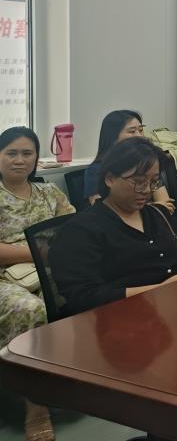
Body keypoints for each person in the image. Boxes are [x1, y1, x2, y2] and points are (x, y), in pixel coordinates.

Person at [51, 137, 177, 317]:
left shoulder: (158, 214)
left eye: (154, 182)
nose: (147, 190)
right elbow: (84, 298)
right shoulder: (80, 231)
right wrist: (157, 291)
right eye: (139, 182)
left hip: (172, 311)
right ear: (110, 179)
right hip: (118, 321)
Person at [0, 126, 74, 441]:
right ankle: (36, 406)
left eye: (27, 153)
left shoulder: (50, 193)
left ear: (36, 158)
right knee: (31, 310)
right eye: (11, 153)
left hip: (50, 270)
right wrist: (38, 252)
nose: (19, 160)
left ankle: (80, 385)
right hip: (5, 277)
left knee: (86, 295)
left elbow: (74, 230)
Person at [83, 110, 173, 211]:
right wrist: (152, 208)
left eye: (141, 130)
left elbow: (166, 206)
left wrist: (154, 208)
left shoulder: (148, 163)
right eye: (132, 131)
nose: (139, 136)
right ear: (113, 137)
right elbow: (100, 208)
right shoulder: (96, 169)